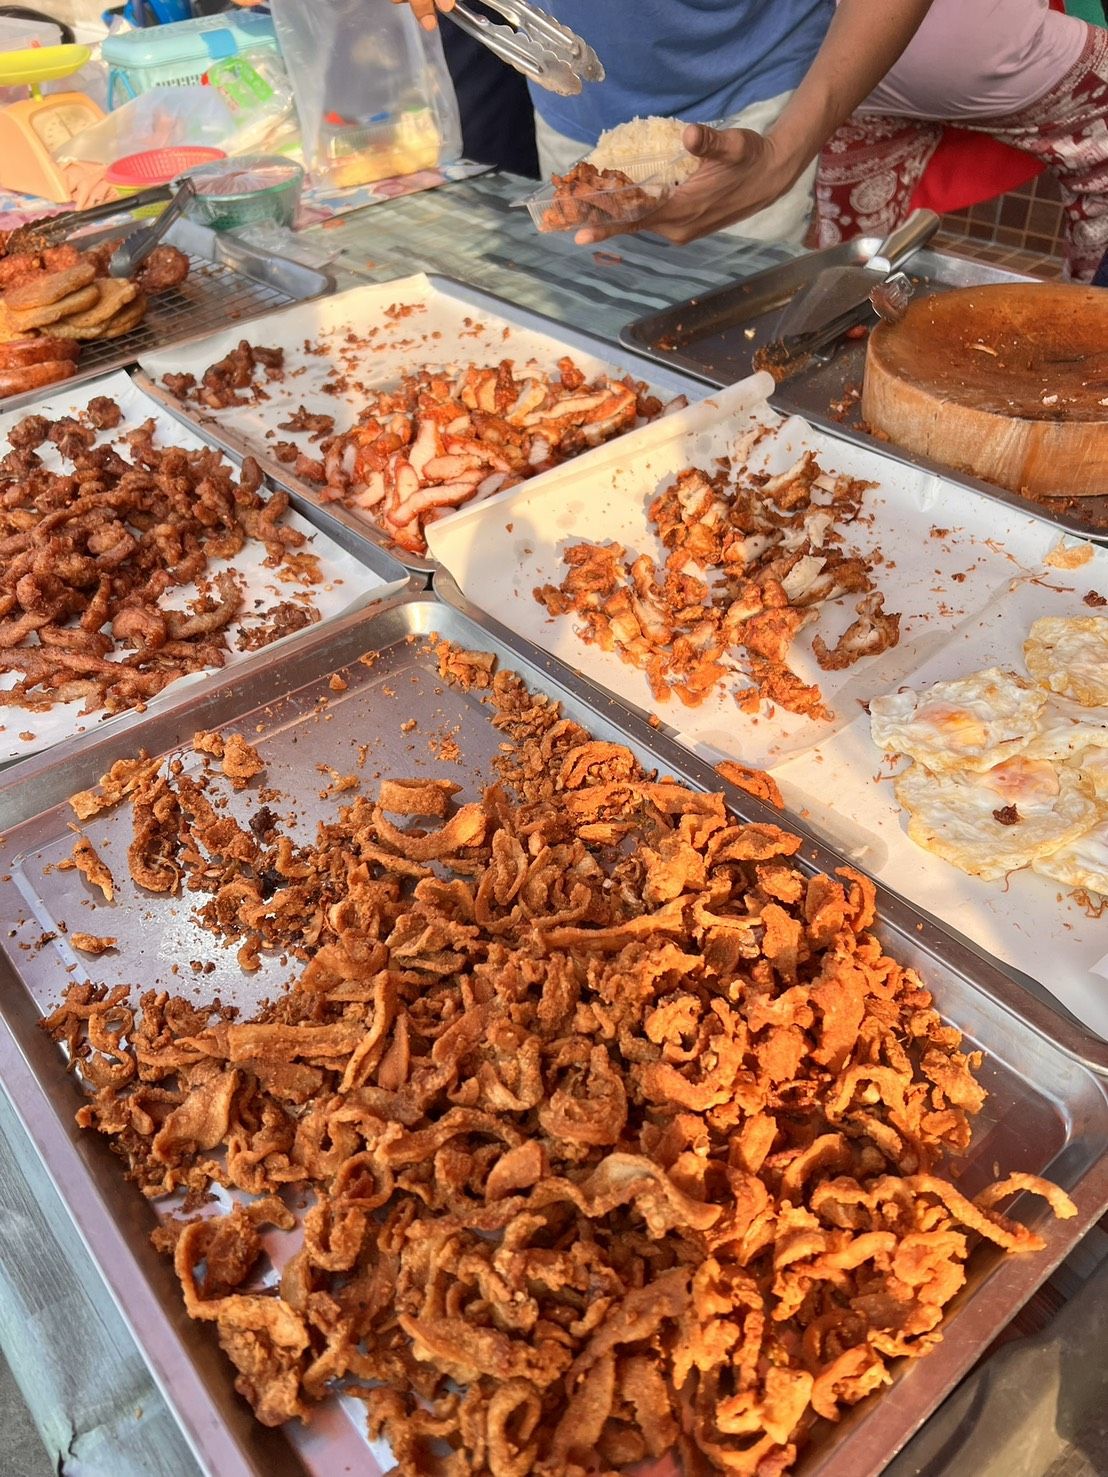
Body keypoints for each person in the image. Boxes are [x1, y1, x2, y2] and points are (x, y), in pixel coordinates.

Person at [396, 0, 936, 246]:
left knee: (730, 356)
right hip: (566, 96)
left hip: (752, 112)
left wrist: (784, 156)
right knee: (591, 333)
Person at [814, 0, 1108, 280]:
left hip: (853, 56)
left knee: (854, 242)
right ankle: (1090, 305)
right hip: (979, 47)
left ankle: (842, 296)